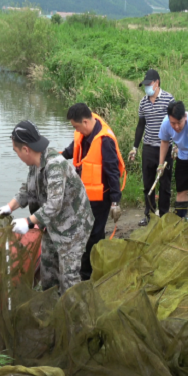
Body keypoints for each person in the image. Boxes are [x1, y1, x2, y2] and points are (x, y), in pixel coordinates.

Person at [0, 120, 94, 295]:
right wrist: (9, 207)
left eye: (16, 151)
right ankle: (52, 307)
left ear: (25, 150)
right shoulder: (35, 164)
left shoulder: (54, 164)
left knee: (69, 278)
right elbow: (28, 189)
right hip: (53, 224)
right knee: (48, 271)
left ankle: (76, 316)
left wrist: (28, 222)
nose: (16, 155)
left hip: (74, 226)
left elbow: (54, 205)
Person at [62, 103, 126, 281]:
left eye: (76, 126)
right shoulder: (83, 131)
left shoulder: (104, 140)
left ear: (85, 121)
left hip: (101, 196)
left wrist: (115, 202)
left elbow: (113, 172)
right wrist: (56, 157)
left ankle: (89, 274)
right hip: (84, 193)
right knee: (84, 230)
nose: (76, 130)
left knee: (95, 233)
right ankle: (86, 267)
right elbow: (71, 150)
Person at [129, 69, 175, 226]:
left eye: (149, 84)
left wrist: (175, 147)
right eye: (145, 85)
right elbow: (141, 126)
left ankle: (163, 216)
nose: (147, 88)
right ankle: (149, 214)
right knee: (148, 183)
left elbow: (175, 124)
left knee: (165, 184)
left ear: (157, 83)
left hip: (166, 148)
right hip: (148, 148)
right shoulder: (143, 102)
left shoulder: (169, 100)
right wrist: (135, 147)